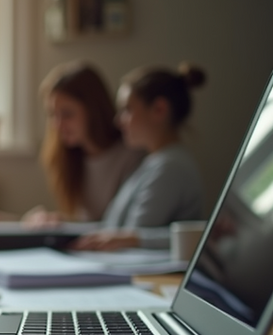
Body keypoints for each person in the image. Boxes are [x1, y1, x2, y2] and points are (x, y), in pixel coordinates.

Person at [73, 62, 207, 250]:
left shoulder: (171, 166)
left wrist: (127, 239)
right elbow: (114, 230)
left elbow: (133, 235)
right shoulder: (154, 162)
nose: (118, 121)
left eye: (127, 110)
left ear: (159, 109)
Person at [24, 62, 146, 224]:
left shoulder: (132, 156)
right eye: (53, 115)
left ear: (93, 110)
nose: (57, 125)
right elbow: (85, 223)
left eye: (67, 114)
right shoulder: (69, 158)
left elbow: (118, 226)